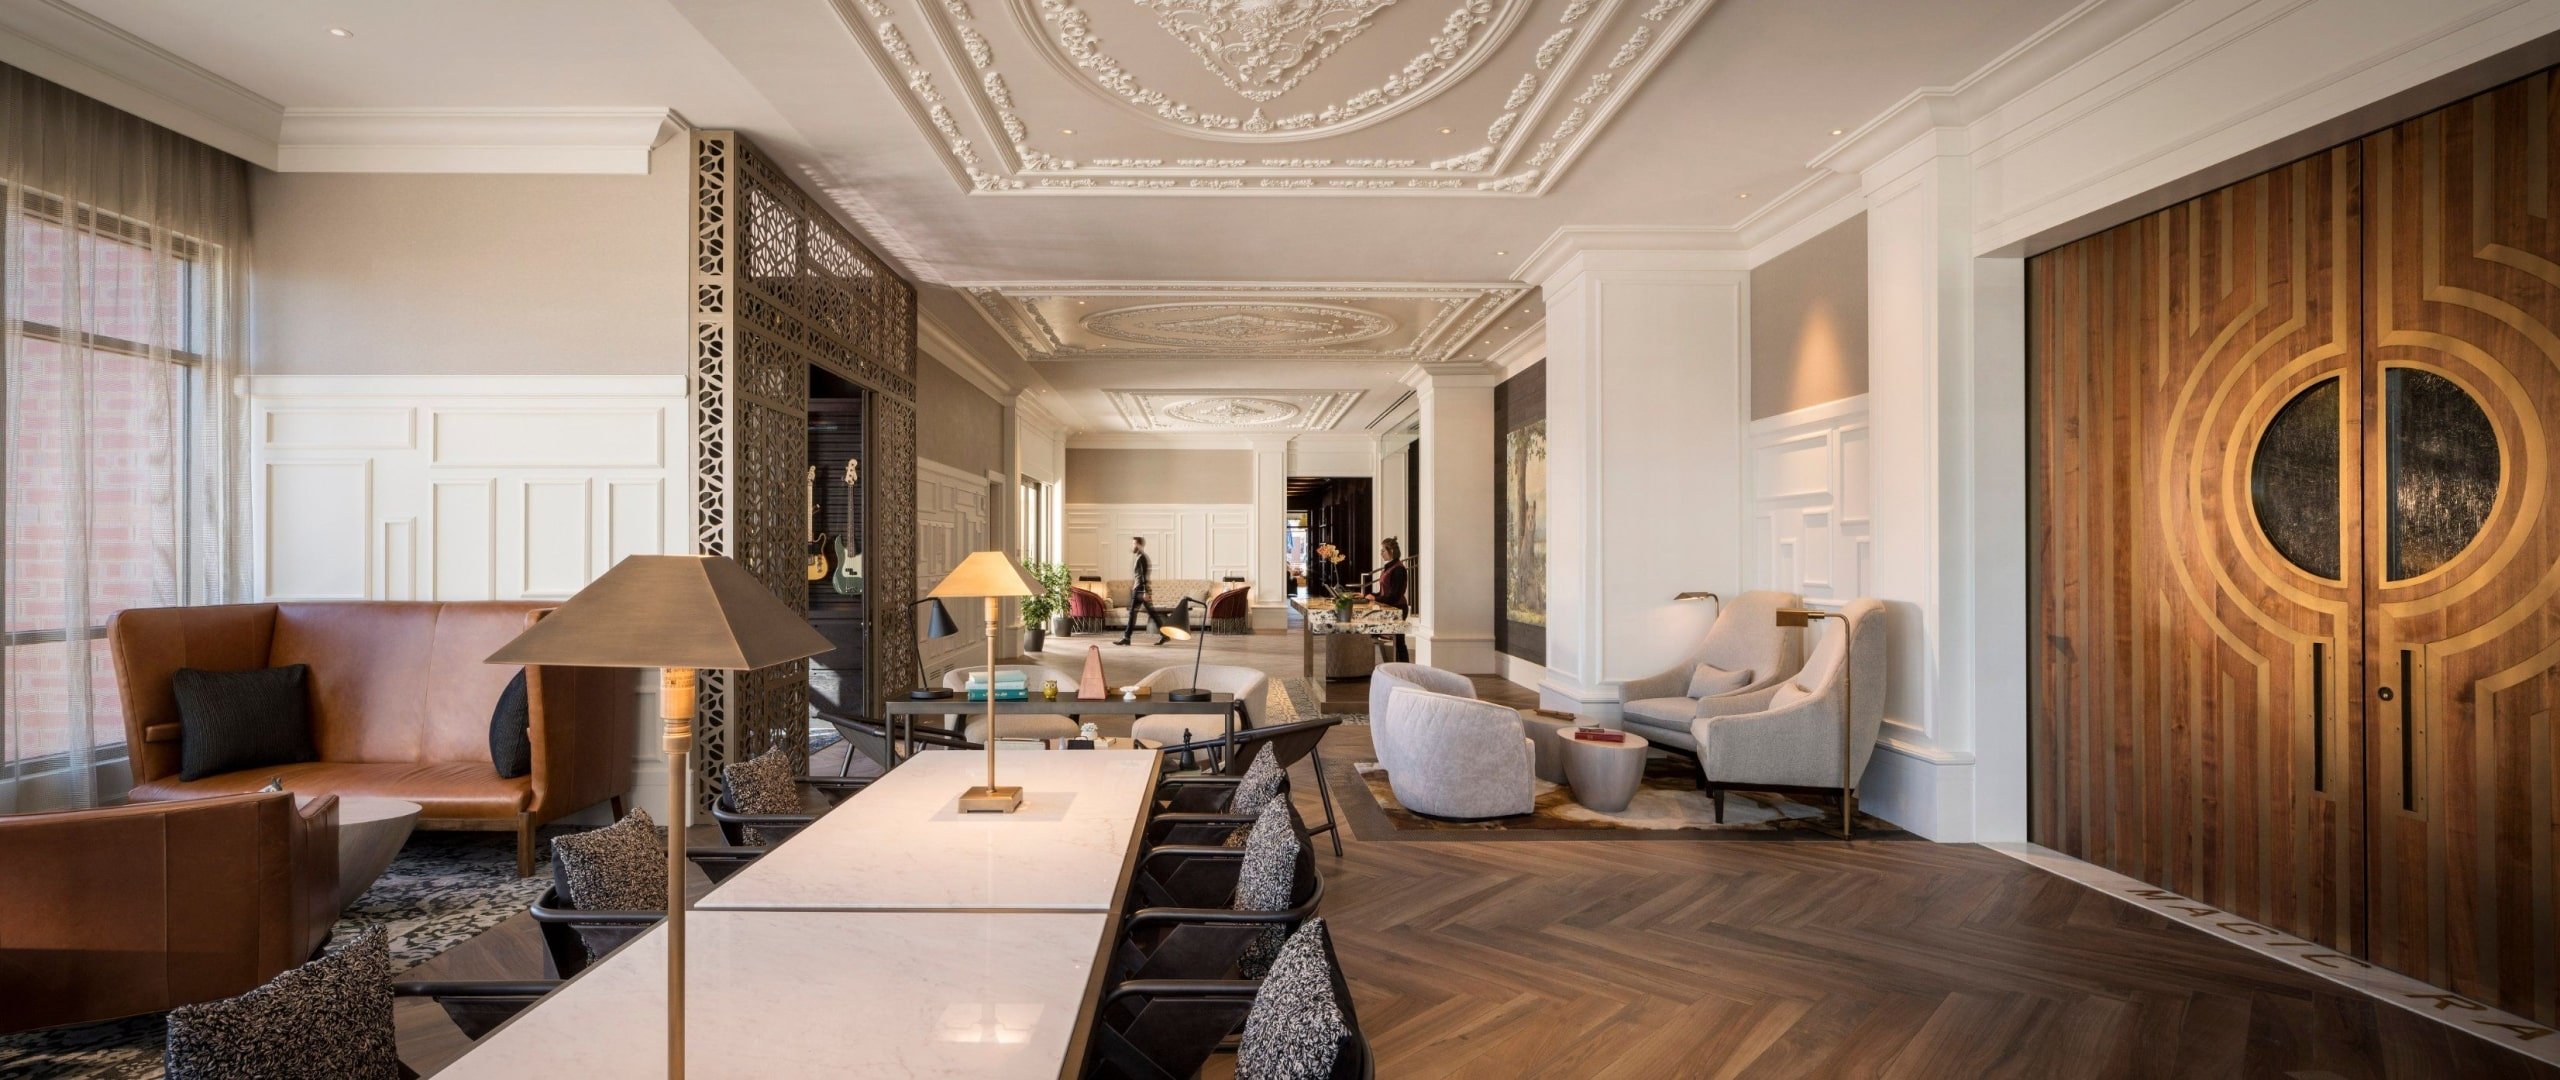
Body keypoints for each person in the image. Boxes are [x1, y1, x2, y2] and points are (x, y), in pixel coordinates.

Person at [1374, 537, 1410, 663]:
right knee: (1398, 641)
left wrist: (1375, 599)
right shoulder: (1389, 567)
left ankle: (1405, 670)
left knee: (1399, 642)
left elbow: (1394, 596)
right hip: (1392, 609)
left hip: (1398, 609)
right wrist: (1369, 596)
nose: (1381, 553)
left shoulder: (1398, 569)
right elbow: (1384, 592)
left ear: (1391, 552)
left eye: (1383, 550)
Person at [1113, 536, 1154, 645]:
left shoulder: (1141, 558)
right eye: (1133, 544)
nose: (1133, 546)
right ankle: (1165, 635)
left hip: (1140, 589)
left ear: (1140, 545)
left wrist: (1145, 591)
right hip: (1139, 588)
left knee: (1133, 613)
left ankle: (1127, 637)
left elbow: (1144, 576)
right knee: (1151, 613)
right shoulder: (1139, 557)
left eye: (1135, 543)